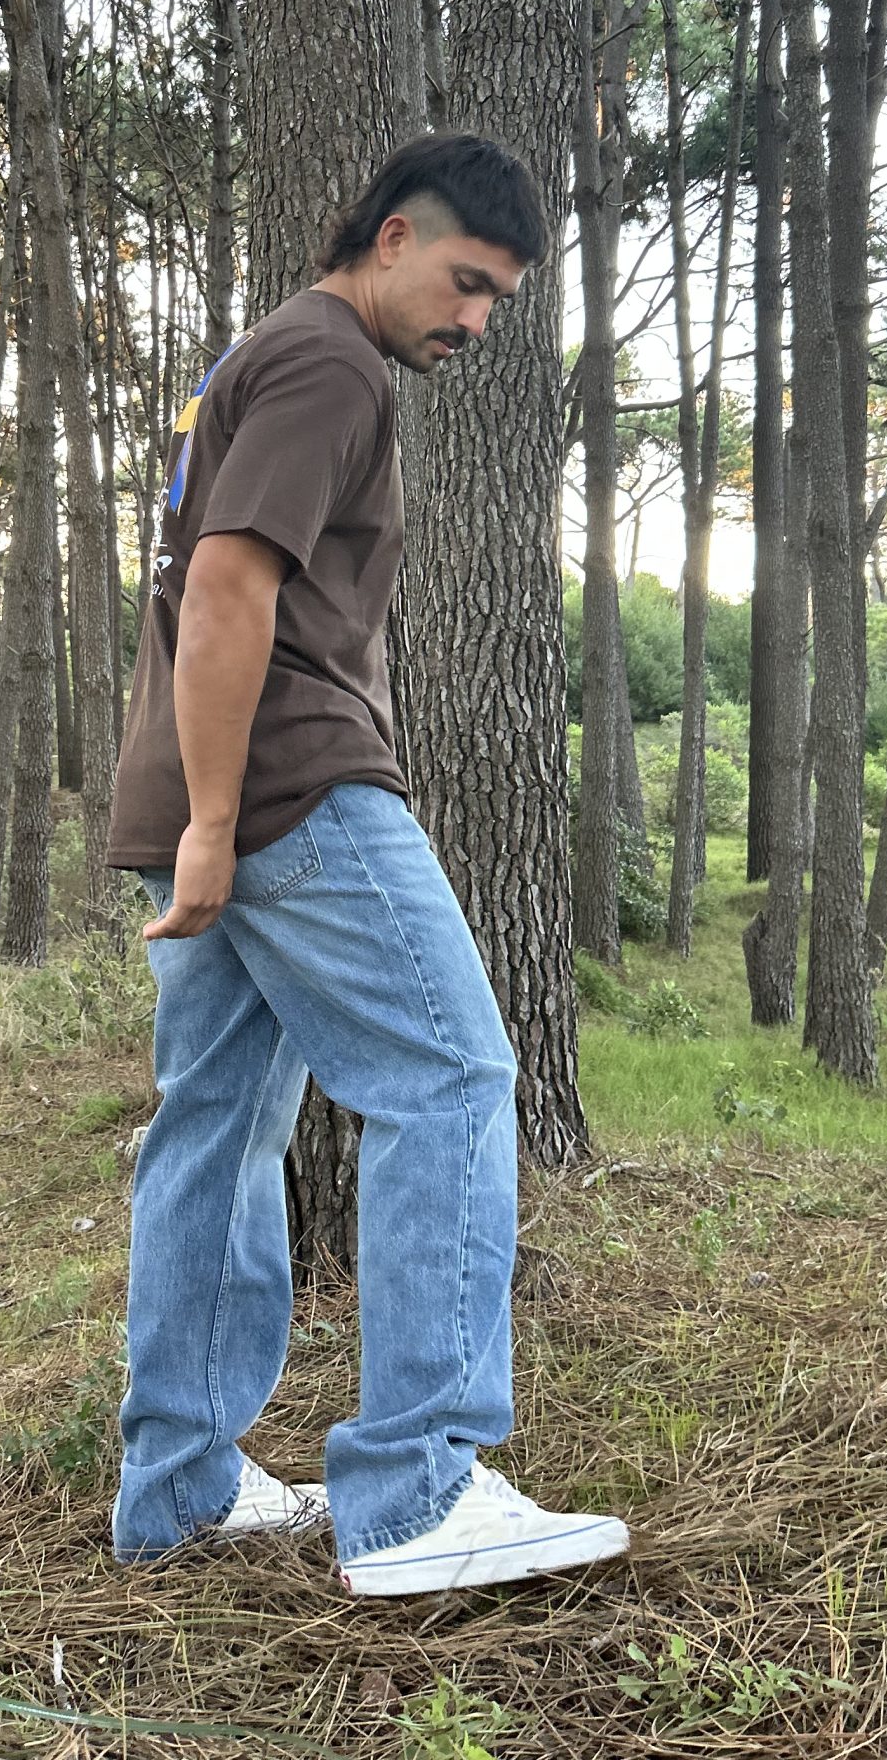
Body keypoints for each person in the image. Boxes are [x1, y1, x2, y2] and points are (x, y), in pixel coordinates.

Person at [107, 131, 630, 1596]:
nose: (477, 320)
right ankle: (416, 1494)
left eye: (499, 300)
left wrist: (200, 817)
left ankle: (180, 1490)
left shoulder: (265, 351)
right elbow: (229, 585)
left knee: (216, 1124)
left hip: (213, 789)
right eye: (466, 281)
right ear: (391, 235)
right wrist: (222, 821)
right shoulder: (331, 363)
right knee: (451, 1079)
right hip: (288, 787)